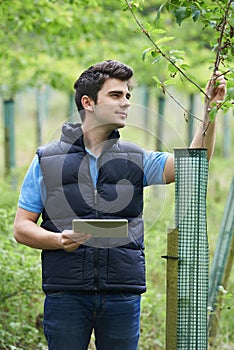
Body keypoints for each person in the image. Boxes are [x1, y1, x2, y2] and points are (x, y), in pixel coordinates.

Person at [14, 60, 226, 350]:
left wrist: (210, 112)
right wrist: (58, 240)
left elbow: (191, 164)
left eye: (128, 96)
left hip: (122, 295)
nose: (126, 102)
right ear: (88, 102)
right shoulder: (47, 159)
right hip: (66, 294)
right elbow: (22, 228)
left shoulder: (135, 157)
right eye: (116, 95)